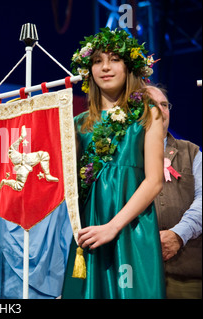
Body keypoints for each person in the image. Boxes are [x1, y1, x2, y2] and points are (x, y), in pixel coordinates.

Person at [61, 28, 166, 298]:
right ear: (88, 71)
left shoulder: (147, 113)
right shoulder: (77, 124)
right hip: (89, 233)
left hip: (131, 230)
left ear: (129, 67)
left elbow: (155, 180)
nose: (105, 67)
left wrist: (112, 226)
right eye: (97, 61)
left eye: (114, 59)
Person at [147, 85, 202, 299]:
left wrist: (178, 235)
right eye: (152, 104)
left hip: (186, 276)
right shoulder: (122, 156)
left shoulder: (191, 151)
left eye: (164, 104)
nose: (161, 110)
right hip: (135, 272)